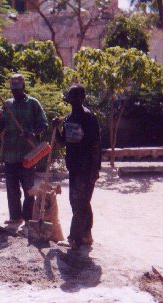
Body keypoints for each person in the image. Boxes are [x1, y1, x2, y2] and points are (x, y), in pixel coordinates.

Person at [0, 73, 48, 230]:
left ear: (24, 87)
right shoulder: (7, 105)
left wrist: (32, 133)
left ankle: (28, 218)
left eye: (18, 90)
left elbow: (44, 124)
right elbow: (0, 128)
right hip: (10, 154)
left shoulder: (33, 104)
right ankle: (15, 217)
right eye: (13, 90)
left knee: (28, 189)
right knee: (12, 189)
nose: (15, 93)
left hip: (27, 155)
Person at [54, 84, 101, 250]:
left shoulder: (88, 118)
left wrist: (95, 169)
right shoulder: (69, 118)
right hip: (73, 167)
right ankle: (86, 235)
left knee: (79, 201)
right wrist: (56, 130)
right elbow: (62, 143)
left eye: (75, 98)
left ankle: (75, 238)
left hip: (86, 167)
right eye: (70, 98)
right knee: (79, 202)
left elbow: (95, 145)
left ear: (82, 98)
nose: (72, 101)